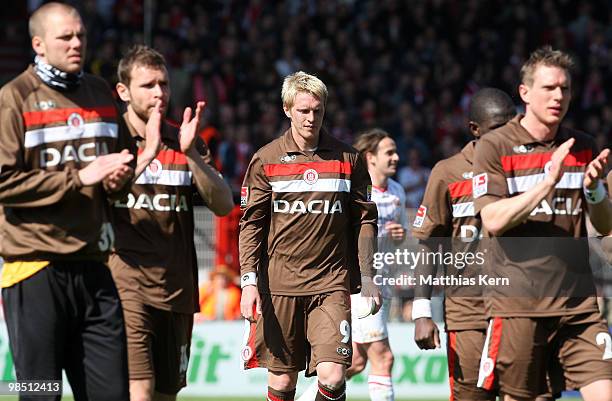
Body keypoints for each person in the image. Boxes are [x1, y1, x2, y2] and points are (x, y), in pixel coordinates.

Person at [0, 3, 138, 400]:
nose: (76, 43)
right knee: (40, 393)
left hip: (95, 266)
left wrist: (117, 180)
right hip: (34, 266)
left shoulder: (100, 93)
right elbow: (3, 181)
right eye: (65, 37)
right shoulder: (14, 97)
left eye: (80, 35)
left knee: (111, 394)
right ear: (38, 44)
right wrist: (79, 178)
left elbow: (121, 172)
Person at [473, 46, 612, 401]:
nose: (559, 96)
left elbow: (604, 224)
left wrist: (595, 191)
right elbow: (493, 219)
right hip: (519, 305)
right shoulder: (494, 146)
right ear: (525, 93)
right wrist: (546, 184)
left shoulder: (583, 145)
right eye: (549, 88)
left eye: (565, 88)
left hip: (578, 306)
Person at [239, 71, 381, 401]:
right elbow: (251, 224)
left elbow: (365, 221)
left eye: (317, 110)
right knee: (282, 385)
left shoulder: (349, 159)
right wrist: (248, 281)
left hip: (331, 283)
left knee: (333, 379)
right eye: (303, 110)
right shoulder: (266, 159)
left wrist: (370, 276)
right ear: (287, 109)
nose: (311, 118)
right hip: (279, 286)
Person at [110, 45, 233, 401]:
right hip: (126, 286)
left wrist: (192, 153)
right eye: (148, 85)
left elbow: (223, 204)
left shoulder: (184, 140)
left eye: (163, 84)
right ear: (123, 91)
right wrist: (144, 155)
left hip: (177, 290)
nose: (159, 93)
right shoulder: (109, 138)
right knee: (140, 391)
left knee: (166, 395)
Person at [411, 88, 516, 401]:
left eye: (511, 126)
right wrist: (421, 311)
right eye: (498, 129)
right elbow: (429, 245)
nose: (506, 136)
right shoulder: (448, 173)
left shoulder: (524, 168)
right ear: (475, 129)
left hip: (519, 307)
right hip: (468, 310)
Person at [298, 128, 407, 401]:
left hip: (384, 280)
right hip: (361, 283)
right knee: (383, 356)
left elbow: (398, 236)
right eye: (389, 152)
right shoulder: (354, 187)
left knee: (355, 361)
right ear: (370, 157)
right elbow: (348, 234)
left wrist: (399, 237)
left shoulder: (397, 192)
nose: (396, 157)